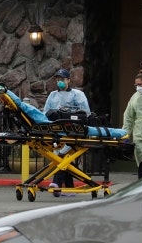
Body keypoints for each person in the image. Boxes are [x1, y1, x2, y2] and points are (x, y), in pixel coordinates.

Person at [43, 68, 91, 196]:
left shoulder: (77, 95)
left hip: (72, 131)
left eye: (62, 80)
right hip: (57, 132)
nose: (60, 82)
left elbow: (85, 113)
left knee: (62, 157)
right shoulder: (53, 95)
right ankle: (69, 189)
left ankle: (56, 183)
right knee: (64, 159)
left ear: (68, 80)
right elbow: (46, 113)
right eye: (58, 80)